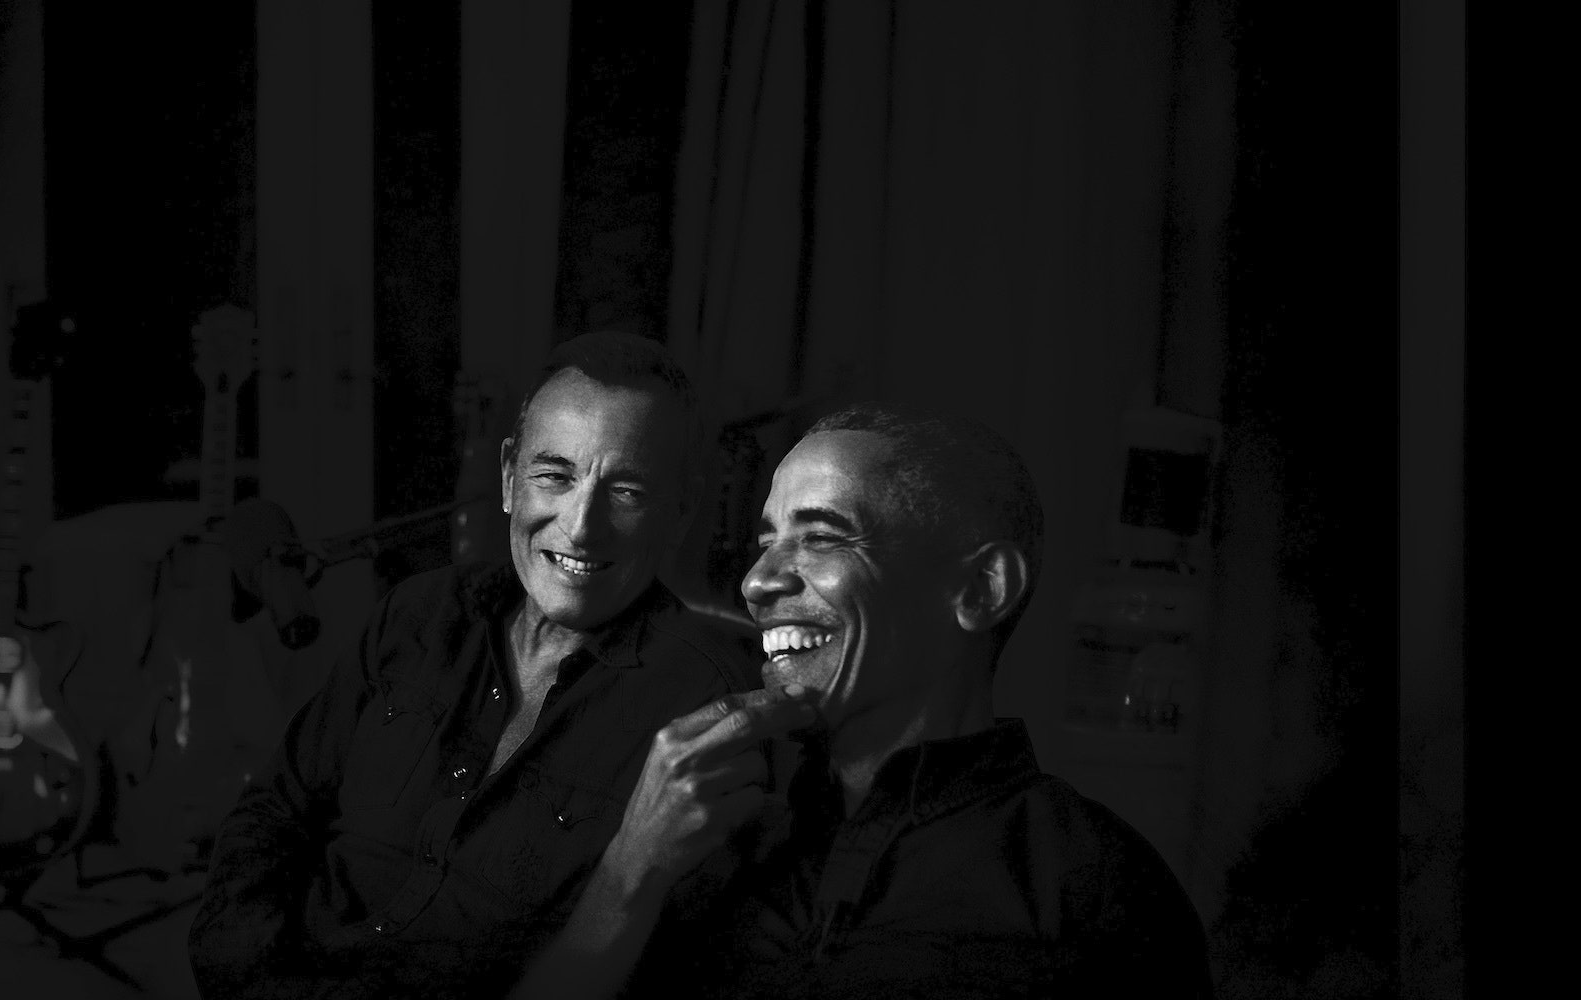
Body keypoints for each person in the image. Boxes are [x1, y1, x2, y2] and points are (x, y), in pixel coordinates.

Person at [514, 401, 1213, 999]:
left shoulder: (1097, 891)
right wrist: (628, 875)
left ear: (981, 590)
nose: (757, 582)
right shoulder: (697, 826)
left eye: (821, 538)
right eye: (766, 541)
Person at [188, 332, 760, 999]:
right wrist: (248, 979)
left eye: (627, 491)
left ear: (680, 514)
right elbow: (275, 813)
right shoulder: (417, 614)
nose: (581, 526)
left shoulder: (703, 707)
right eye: (555, 476)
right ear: (509, 476)